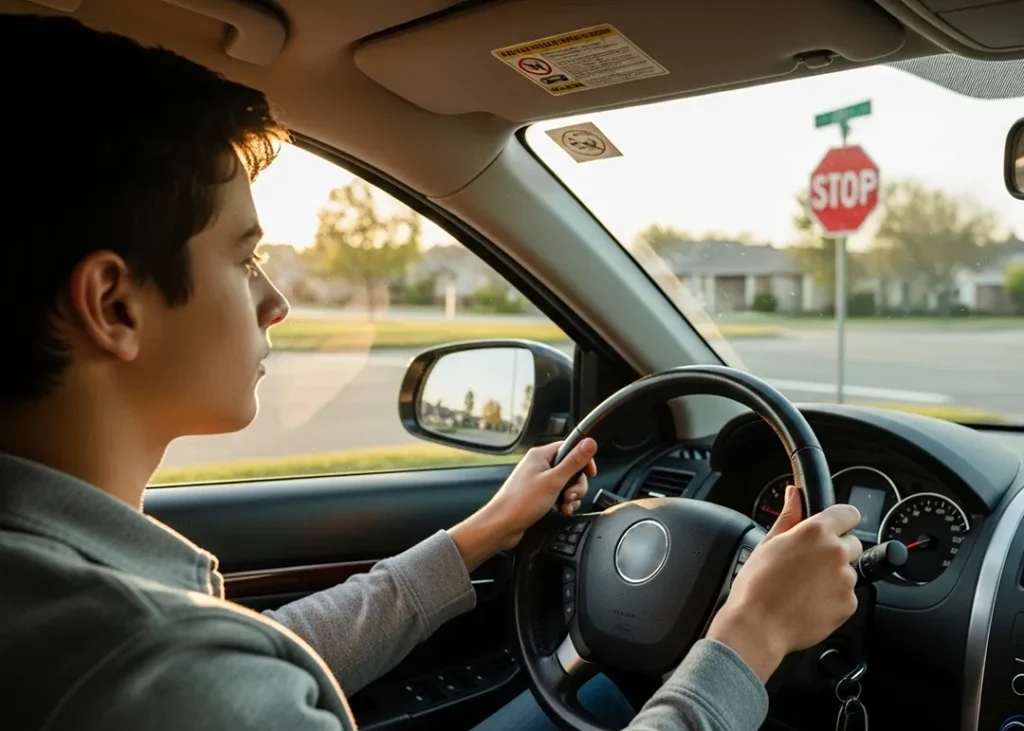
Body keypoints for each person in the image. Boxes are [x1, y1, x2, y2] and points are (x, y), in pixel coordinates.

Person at [0, 13, 863, 731]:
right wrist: (749, 637)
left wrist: (477, 536)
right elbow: (220, 674)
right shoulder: (170, 675)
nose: (275, 303)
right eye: (243, 257)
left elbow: (261, 647)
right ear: (114, 305)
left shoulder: (71, 605)